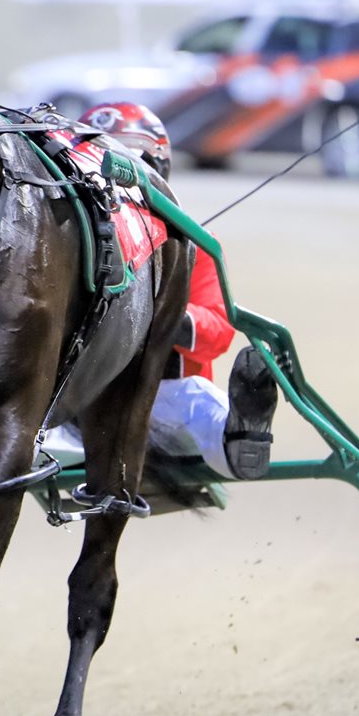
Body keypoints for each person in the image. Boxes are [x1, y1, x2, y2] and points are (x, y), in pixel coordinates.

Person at [72, 101, 279, 481]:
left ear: (156, 169)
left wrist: (159, 311)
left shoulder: (190, 244)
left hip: (159, 400)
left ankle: (242, 434)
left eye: (123, 166)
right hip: (76, 402)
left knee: (198, 399)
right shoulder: (69, 241)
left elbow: (217, 331)